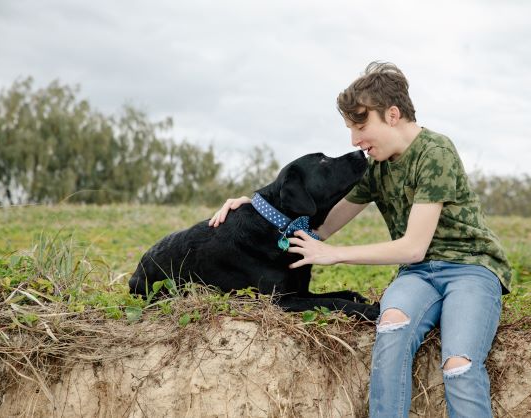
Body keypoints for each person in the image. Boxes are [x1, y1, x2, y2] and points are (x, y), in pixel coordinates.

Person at [209, 62, 511, 418]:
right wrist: (255, 207)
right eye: (351, 128)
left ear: (393, 115)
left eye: (361, 125)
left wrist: (334, 255)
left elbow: (413, 245)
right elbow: (320, 229)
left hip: (470, 269)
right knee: (392, 327)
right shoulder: (376, 167)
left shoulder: (435, 152)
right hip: (418, 275)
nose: (355, 140)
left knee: (458, 364)